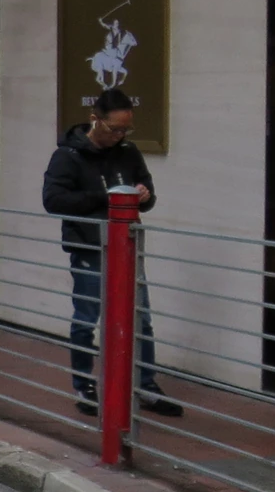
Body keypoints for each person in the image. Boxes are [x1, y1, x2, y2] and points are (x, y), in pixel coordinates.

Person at [43, 88, 183, 418]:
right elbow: (53, 200)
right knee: (86, 318)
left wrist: (144, 196)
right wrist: (104, 197)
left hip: (126, 246)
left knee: (140, 318)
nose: (120, 135)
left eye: (126, 129)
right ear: (96, 120)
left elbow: (147, 196)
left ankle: (145, 384)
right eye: (114, 129)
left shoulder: (128, 152)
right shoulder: (68, 156)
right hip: (89, 246)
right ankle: (84, 384)